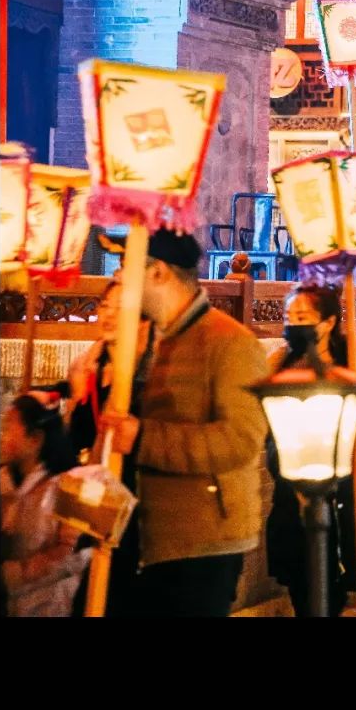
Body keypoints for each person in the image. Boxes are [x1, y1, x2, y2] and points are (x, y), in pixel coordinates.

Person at [101, 229, 270, 617]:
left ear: (158, 272)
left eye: (127, 267)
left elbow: (240, 440)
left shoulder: (229, 342)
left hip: (203, 542)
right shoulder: (156, 337)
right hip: (151, 537)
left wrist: (142, 437)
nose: (119, 278)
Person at [265, 284, 356, 617]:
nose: (294, 323)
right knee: (309, 597)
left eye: (303, 316)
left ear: (327, 322)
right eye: (289, 316)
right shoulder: (279, 368)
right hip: (298, 503)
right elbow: (268, 438)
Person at [65, 277, 154, 617]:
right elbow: (73, 447)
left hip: (135, 511)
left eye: (121, 309)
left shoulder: (149, 378)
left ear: (142, 321)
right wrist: (75, 398)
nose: (109, 315)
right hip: (94, 506)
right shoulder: (90, 370)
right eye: (105, 306)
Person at [1, 391, 92, 616]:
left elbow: (74, 554)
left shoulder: (67, 486)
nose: (3, 437)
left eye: (10, 428)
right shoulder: (3, 480)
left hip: (48, 607)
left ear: (36, 439)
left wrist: (14, 574)